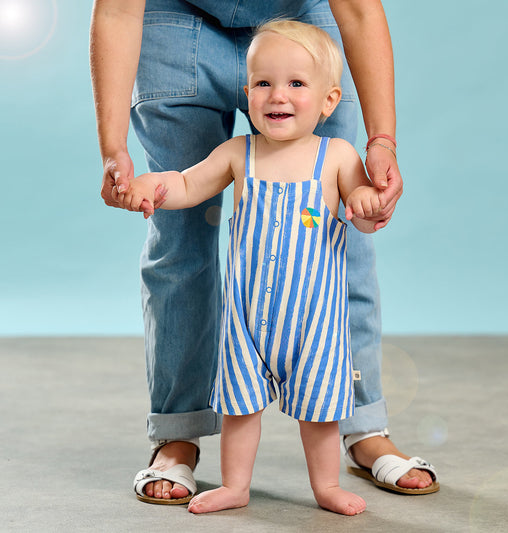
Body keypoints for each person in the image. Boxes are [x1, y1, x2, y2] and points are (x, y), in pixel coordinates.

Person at [90, 0, 439, 504]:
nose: (278, 96)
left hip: (312, 321)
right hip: (178, 19)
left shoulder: (335, 155)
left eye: (296, 86)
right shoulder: (239, 154)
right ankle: (183, 437)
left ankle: (362, 426)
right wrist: (127, 165)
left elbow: (360, 11)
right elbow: (184, 183)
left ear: (328, 99)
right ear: (248, 91)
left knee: (348, 252)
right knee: (179, 241)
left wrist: (379, 155)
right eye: (263, 86)